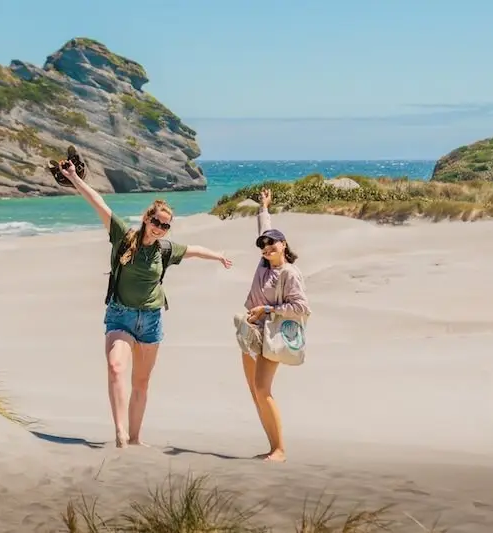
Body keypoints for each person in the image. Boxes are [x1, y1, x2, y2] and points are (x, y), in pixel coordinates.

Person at [58, 160, 233, 448]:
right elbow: (98, 203)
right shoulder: (123, 237)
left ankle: (136, 438)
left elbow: (193, 251)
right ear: (146, 218)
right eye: (157, 222)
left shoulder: (165, 249)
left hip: (151, 320)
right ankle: (120, 434)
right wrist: (75, 178)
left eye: (165, 226)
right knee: (116, 368)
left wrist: (218, 256)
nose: (160, 228)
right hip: (120, 316)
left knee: (141, 382)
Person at [237, 188, 310, 462]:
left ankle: (280, 450)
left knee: (262, 389)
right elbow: (265, 228)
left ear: (284, 245)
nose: (267, 250)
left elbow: (302, 308)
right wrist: (263, 206)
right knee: (255, 392)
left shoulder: (289, 273)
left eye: (273, 245)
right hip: (251, 331)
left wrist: (267, 309)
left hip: (271, 333)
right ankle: (272, 447)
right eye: (264, 247)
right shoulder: (264, 263)